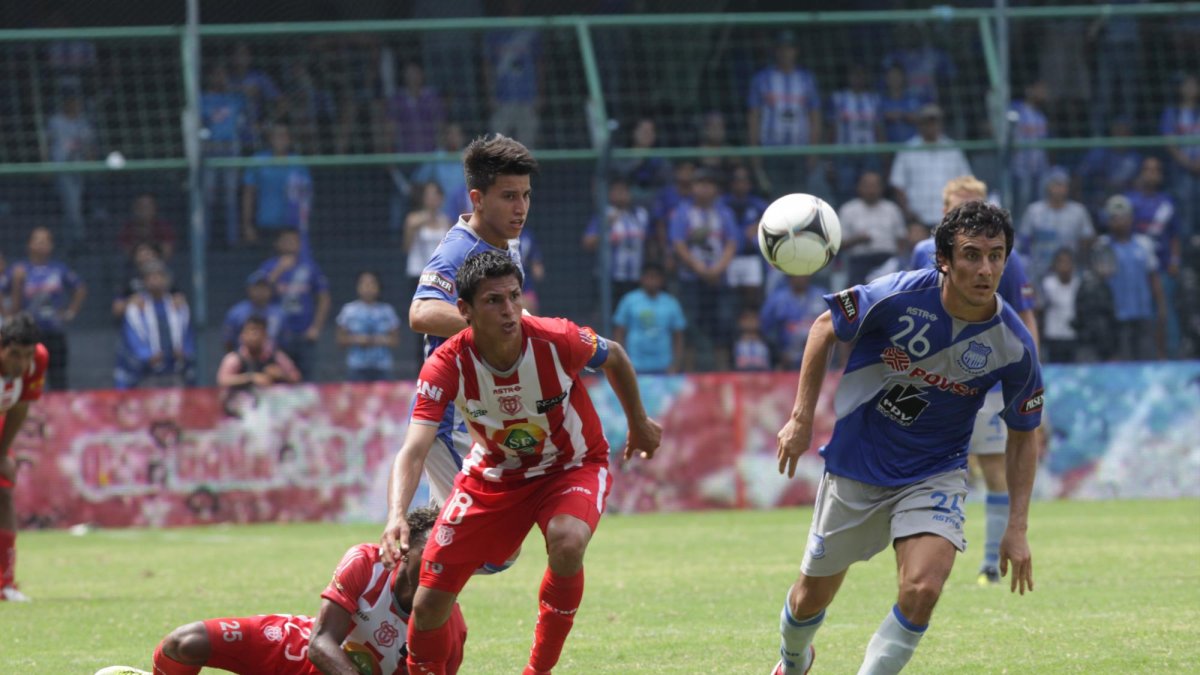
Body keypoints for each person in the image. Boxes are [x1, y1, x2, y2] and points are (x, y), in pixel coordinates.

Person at [770, 201, 1042, 675]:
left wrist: (1016, 527)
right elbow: (823, 327)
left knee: (923, 590)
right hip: (856, 466)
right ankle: (794, 660)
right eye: (972, 255)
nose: (986, 269)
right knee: (809, 599)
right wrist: (800, 419)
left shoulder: (1013, 342)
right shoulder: (895, 296)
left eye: (996, 256)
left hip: (934, 473)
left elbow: (1023, 434)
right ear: (944, 260)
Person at [381, 251, 662, 675]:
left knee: (568, 541)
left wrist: (638, 423)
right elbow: (414, 448)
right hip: (493, 474)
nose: (509, 310)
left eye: (514, 296)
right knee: (429, 599)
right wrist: (396, 514)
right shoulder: (446, 364)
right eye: (494, 301)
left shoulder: (557, 338)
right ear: (465, 310)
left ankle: (538, 671)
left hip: (570, 465)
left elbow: (616, 356)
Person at [95, 506, 467, 675]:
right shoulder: (366, 563)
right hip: (297, 653)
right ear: (403, 551)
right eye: (432, 555)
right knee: (185, 642)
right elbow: (320, 644)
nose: (441, 565)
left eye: (451, 558)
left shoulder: (450, 626)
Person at [909, 175, 1039, 586]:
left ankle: (988, 564)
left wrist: (1031, 375)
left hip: (986, 383)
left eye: (976, 204)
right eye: (959, 206)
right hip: (931, 383)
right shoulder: (920, 254)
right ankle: (925, 559)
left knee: (994, 467)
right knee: (933, 469)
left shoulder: (1005, 257)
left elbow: (1024, 314)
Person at [408, 133, 537, 509]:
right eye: (509, 196)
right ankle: (373, 564)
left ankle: (387, 565)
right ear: (477, 199)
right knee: (488, 548)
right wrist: (496, 325)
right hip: (450, 415)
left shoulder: (507, 244)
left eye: (526, 195)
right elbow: (422, 313)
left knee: (442, 537)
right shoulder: (459, 249)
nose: (521, 207)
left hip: (485, 413)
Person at [669, 168, 740, 371]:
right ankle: (690, 374)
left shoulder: (724, 213)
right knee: (690, 328)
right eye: (700, 184)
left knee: (722, 328)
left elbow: (732, 243)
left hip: (719, 280)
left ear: (716, 189)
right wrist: (698, 267)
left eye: (709, 184)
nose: (704, 189)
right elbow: (678, 243)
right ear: (692, 187)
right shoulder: (682, 212)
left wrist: (718, 269)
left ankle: (722, 374)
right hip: (691, 279)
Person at [0, 314, 48, 602]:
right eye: (14, 355)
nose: (21, 363)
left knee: (4, 494)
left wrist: (3, 452)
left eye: (26, 355)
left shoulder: (37, 360)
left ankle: (5, 584)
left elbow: (19, 407)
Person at [5, 227, 86, 392]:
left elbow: (80, 288)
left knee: (58, 376)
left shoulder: (59, 268)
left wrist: (71, 311)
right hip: (27, 334)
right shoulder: (19, 269)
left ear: (51, 246)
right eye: (37, 240)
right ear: (29, 244)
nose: (42, 244)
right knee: (26, 375)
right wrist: (7, 315)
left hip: (54, 332)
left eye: (46, 241)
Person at [747, 29, 822, 196]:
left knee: (800, 197)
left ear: (796, 51)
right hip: (772, 150)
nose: (785, 53)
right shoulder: (762, 79)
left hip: (799, 150)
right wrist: (754, 149)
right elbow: (754, 116)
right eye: (781, 48)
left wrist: (813, 149)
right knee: (775, 197)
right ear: (775, 51)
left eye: (789, 48)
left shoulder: (806, 79)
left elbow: (815, 117)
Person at [1093, 195, 1166, 361]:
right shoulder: (1101, 246)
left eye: (1123, 217)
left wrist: (1161, 307)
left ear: (1131, 219)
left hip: (1143, 315)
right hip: (1115, 318)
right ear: (1108, 221)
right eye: (1114, 218)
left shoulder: (1145, 244)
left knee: (1146, 362)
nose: (1119, 221)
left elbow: (1154, 279)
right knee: (1122, 364)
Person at [254, 229, 331, 380]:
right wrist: (279, 270)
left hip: (304, 334)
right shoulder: (268, 267)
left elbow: (324, 298)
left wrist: (316, 328)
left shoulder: (310, 267)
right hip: (276, 335)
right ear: (277, 243)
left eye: (294, 240)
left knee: (306, 377)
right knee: (275, 376)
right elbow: (259, 294)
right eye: (286, 240)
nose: (290, 244)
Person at [888, 104, 972, 230]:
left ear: (941, 124)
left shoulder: (953, 149)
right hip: (917, 219)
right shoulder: (907, 150)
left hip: (949, 217)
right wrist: (908, 215)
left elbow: (965, 182)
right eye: (927, 122)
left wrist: (958, 211)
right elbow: (898, 185)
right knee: (914, 237)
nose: (931, 126)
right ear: (920, 124)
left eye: (935, 122)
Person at [114, 262, 196, 390]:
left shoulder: (178, 305)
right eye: (150, 277)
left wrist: (184, 352)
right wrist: (147, 355)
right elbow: (132, 336)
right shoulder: (136, 307)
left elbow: (187, 333)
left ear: (167, 280)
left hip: (174, 371)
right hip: (146, 374)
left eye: (159, 276)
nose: (155, 280)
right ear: (144, 281)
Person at [1016, 166, 1095, 292]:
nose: (1059, 189)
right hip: (1039, 272)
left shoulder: (1078, 211)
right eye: (1055, 184)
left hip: (1069, 275)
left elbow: (1087, 243)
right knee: (1035, 306)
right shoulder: (1034, 211)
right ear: (1048, 186)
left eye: (1062, 185)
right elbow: (1024, 243)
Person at [483, 0, 544, 147]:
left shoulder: (531, 29)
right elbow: (486, 65)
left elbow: (540, 63)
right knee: (498, 148)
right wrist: (489, 95)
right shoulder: (494, 29)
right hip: (502, 97)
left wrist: (540, 93)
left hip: (527, 96)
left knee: (527, 148)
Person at [582, 175, 652, 303]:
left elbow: (650, 243)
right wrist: (606, 226)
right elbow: (588, 243)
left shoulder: (641, 215)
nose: (621, 195)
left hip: (636, 277)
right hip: (610, 278)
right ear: (610, 194)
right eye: (617, 191)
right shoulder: (604, 215)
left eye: (624, 191)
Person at [241, 124, 313, 245]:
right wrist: (247, 225)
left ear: (290, 139)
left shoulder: (298, 162)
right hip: (265, 224)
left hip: (291, 225)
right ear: (270, 139)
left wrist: (303, 225)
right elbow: (248, 194)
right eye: (276, 136)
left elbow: (306, 196)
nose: (280, 139)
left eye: (284, 136)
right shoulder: (258, 160)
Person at [200, 63, 246, 248]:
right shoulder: (202, 98)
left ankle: (232, 240)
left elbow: (250, 98)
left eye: (223, 74)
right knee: (207, 195)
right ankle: (203, 240)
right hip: (210, 147)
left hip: (230, 148)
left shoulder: (234, 98)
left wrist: (232, 86)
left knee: (230, 195)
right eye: (216, 74)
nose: (220, 78)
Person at [612, 263, 686, 375]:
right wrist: (622, 364)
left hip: (664, 368)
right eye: (649, 277)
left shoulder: (671, 303)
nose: (652, 281)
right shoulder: (629, 301)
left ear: (662, 280)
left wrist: (675, 365)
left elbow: (678, 337)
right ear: (642, 278)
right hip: (634, 367)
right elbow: (619, 333)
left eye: (656, 277)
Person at [217, 317, 301, 415]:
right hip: (239, 411)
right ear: (242, 336)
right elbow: (222, 380)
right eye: (250, 331)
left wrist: (281, 375)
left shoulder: (276, 356)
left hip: (271, 409)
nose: (253, 336)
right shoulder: (234, 359)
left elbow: (296, 377)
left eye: (257, 332)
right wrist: (251, 378)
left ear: (265, 335)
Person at [837, 171, 908, 286]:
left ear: (881, 188)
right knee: (857, 298)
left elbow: (901, 239)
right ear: (859, 187)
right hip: (859, 261)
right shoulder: (848, 210)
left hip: (887, 260)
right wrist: (857, 239)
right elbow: (839, 244)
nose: (871, 190)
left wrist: (898, 261)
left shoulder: (892, 209)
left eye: (874, 186)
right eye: (867, 186)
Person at [45, 92, 95, 248]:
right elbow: (46, 144)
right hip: (62, 167)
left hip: (79, 167)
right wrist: (45, 165)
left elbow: (88, 146)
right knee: (72, 204)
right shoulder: (55, 121)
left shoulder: (83, 123)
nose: (76, 106)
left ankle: (73, 239)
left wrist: (92, 163)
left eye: (78, 103)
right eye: (72, 102)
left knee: (75, 205)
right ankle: (77, 239)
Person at [335, 271, 401, 383]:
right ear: (358, 287)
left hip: (382, 367)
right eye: (364, 284)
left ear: (378, 287)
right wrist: (357, 340)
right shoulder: (348, 311)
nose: (368, 288)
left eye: (372, 284)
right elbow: (340, 340)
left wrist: (378, 340)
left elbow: (395, 341)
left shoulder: (387, 311)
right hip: (357, 367)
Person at [759, 274, 829, 372]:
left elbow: (835, 325)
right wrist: (778, 354)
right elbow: (765, 328)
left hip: (818, 355)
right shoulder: (777, 299)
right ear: (789, 278)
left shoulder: (821, 296)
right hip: (786, 357)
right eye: (796, 276)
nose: (800, 279)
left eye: (803, 275)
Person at [221, 271, 284, 353]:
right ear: (249, 289)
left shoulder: (279, 313)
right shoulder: (236, 313)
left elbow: (285, 342)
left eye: (264, 287)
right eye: (257, 287)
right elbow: (228, 341)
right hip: (243, 359)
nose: (261, 291)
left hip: (272, 359)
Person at [1041, 248, 1080, 364]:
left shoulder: (1078, 284)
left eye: (1067, 262)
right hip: (1054, 336)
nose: (1064, 266)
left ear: (1073, 265)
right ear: (1055, 265)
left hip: (1072, 336)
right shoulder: (1047, 284)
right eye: (1061, 262)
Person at [118, 193, 176, 261]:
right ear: (135, 209)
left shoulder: (163, 227)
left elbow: (167, 253)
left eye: (148, 206)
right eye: (141, 207)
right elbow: (125, 253)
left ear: (154, 209)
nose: (145, 210)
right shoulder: (128, 228)